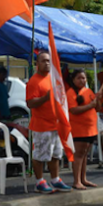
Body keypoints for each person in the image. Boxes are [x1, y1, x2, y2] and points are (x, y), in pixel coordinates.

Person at [26, 50, 72, 194]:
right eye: (43, 61)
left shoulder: (53, 79)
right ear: (37, 64)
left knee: (56, 154)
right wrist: (45, 98)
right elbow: (30, 103)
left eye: (48, 61)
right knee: (40, 155)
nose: (46, 63)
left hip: (55, 124)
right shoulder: (33, 81)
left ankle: (55, 179)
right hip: (41, 125)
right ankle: (39, 182)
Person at [67, 69, 100, 190]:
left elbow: (97, 107)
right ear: (73, 80)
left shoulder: (88, 91)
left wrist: (98, 100)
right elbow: (73, 110)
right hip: (79, 129)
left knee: (84, 155)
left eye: (84, 78)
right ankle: (76, 181)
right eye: (79, 78)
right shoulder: (71, 93)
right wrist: (90, 106)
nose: (82, 80)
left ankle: (83, 178)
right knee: (79, 154)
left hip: (90, 128)